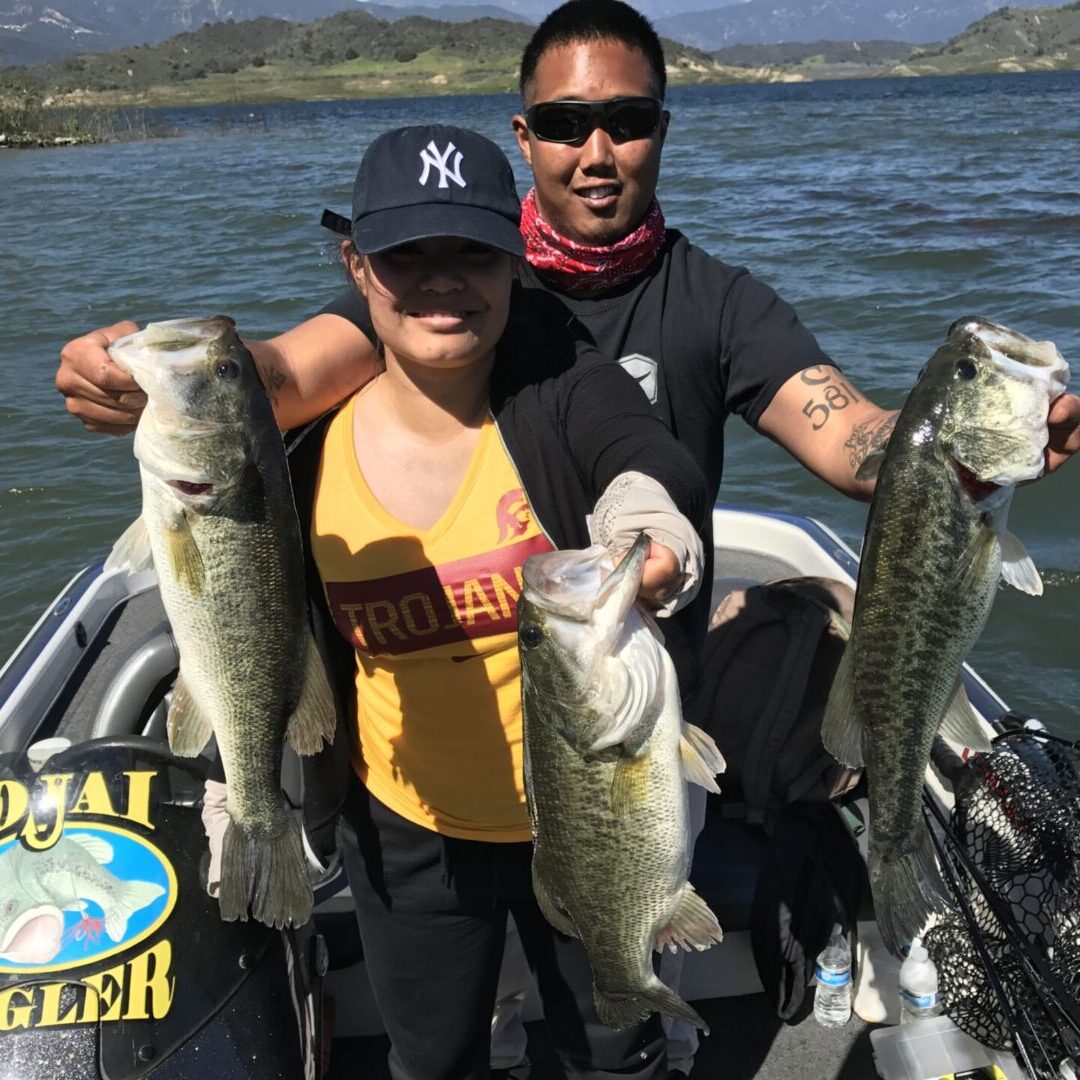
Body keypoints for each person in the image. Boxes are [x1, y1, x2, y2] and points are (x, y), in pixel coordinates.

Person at [55, 2, 1080, 1073]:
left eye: (628, 118)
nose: (598, 150)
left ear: (663, 129)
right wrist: (152, 387)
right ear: (524, 138)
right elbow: (272, 373)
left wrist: (968, 444)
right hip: (419, 796)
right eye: (567, 121)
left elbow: (845, 439)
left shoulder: (709, 305)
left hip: (616, 725)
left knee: (615, 1028)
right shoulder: (446, 294)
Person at [221, 122, 709, 1080]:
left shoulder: (563, 388)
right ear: (357, 266)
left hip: (585, 823)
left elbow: (646, 466)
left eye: (472, 253)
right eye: (409, 255)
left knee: (611, 1048)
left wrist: (651, 546)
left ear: (514, 261)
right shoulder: (311, 452)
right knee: (431, 1058)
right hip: (404, 829)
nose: (442, 280)